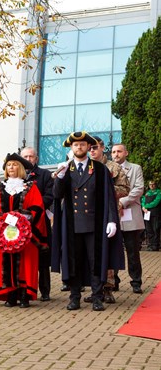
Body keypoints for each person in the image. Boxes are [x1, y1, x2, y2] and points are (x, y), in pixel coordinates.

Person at [51, 131, 124, 311]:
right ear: (71, 148)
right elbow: (56, 195)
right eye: (75, 145)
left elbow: (109, 196)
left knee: (96, 261)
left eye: (83, 144)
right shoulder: (66, 169)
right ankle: (74, 297)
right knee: (74, 260)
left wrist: (112, 220)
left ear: (89, 147)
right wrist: (59, 179)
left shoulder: (100, 169)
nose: (79, 147)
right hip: (72, 223)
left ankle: (97, 297)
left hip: (95, 223)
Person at [0, 153, 47, 308]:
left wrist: (20, 220)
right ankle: (10, 294)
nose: (11, 167)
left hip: (25, 236)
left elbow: (37, 208)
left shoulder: (31, 187)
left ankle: (25, 294)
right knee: (5, 264)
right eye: (8, 165)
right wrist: (2, 221)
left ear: (20, 168)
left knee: (25, 264)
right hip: (3, 235)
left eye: (14, 165)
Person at [87, 137, 130, 303]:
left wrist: (105, 188)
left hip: (109, 215)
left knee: (108, 250)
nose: (92, 151)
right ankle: (95, 288)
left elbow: (125, 189)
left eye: (95, 147)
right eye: (89, 148)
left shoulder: (113, 167)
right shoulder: (84, 167)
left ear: (102, 148)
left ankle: (108, 288)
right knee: (91, 253)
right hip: (88, 215)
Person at [21, 147, 54, 301]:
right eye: (25, 156)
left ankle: (45, 291)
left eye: (31, 156)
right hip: (20, 224)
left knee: (43, 258)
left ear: (37, 158)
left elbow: (50, 196)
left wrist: (34, 208)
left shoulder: (45, 175)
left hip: (39, 221)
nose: (28, 159)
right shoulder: (17, 176)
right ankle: (25, 289)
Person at [111, 143, 145, 294]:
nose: (116, 154)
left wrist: (122, 202)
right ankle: (114, 282)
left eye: (119, 151)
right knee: (113, 250)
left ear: (126, 153)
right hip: (113, 216)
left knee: (132, 251)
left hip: (130, 212)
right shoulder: (107, 168)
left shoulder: (135, 168)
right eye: (113, 152)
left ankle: (136, 282)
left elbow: (138, 188)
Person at [142, 180, 161, 251]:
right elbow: (143, 200)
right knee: (149, 229)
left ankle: (155, 245)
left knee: (155, 229)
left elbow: (156, 202)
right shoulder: (147, 193)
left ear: (155, 185)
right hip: (147, 214)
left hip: (155, 214)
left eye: (153, 184)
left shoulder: (159, 192)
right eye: (150, 185)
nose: (152, 186)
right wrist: (143, 207)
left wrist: (146, 206)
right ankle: (150, 245)